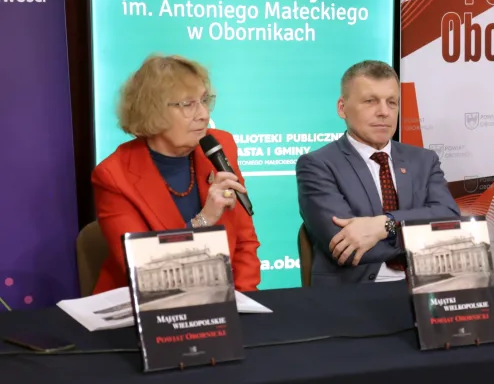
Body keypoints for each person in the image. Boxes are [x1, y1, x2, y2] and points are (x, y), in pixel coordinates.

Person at [91, 54, 260, 294]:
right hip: (146, 305)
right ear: (153, 111)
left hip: (222, 301)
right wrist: (203, 220)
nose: (204, 114)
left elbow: (244, 241)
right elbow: (144, 271)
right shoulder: (114, 176)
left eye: (204, 100)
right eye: (188, 104)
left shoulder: (221, 146)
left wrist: (243, 300)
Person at [296, 60, 460, 285]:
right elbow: (347, 248)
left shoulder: (424, 160)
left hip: (426, 287)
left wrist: (385, 225)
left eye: (392, 102)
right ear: (342, 108)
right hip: (356, 293)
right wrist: (423, 237)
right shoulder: (317, 165)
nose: (384, 112)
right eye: (370, 101)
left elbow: (451, 220)